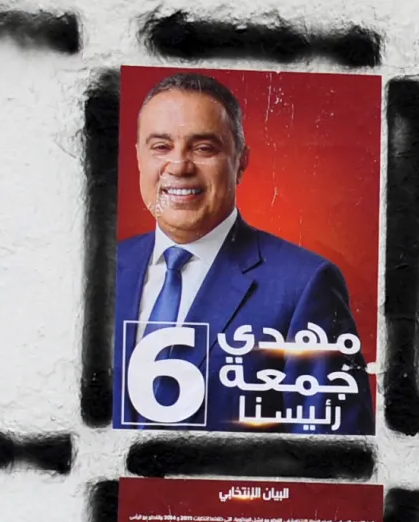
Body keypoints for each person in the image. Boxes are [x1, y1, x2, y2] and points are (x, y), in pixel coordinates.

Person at [113, 72, 373, 434]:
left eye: (203, 148)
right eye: (161, 147)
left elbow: (331, 463)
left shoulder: (304, 285)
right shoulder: (101, 271)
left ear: (241, 162)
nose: (179, 166)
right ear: (138, 158)